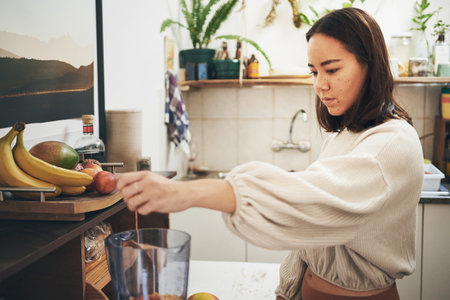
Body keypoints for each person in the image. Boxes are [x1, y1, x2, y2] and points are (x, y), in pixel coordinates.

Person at [117, 7, 424, 300]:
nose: (319, 84)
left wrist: (183, 194)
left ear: (370, 65)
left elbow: (307, 203)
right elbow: (312, 234)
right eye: (314, 71)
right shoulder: (345, 134)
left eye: (331, 69)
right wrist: (288, 289)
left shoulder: (392, 143)